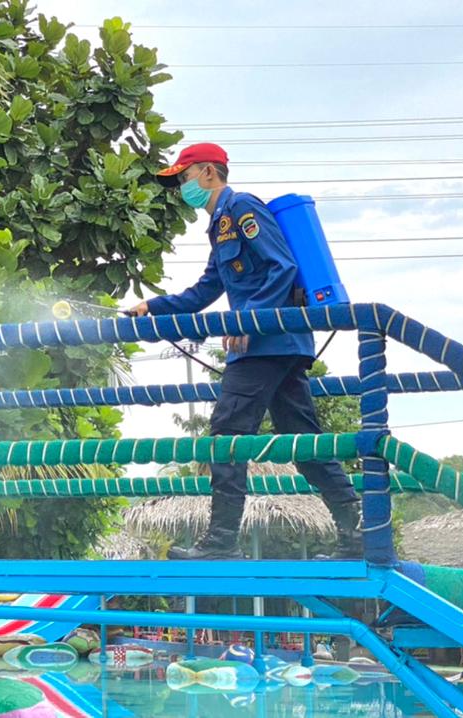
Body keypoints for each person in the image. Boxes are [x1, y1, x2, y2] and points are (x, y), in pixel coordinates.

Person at [124, 142, 362, 560]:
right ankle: (357, 536)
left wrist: (247, 319)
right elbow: (206, 289)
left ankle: (221, 541)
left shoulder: (243, 208)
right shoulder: (220, 226)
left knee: (227, 436)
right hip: (275, 346)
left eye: (185, 176)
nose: (182, 186)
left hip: (264, 345)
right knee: (304, 443)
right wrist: (153, 307)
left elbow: (282, 266)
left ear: (209, 173)